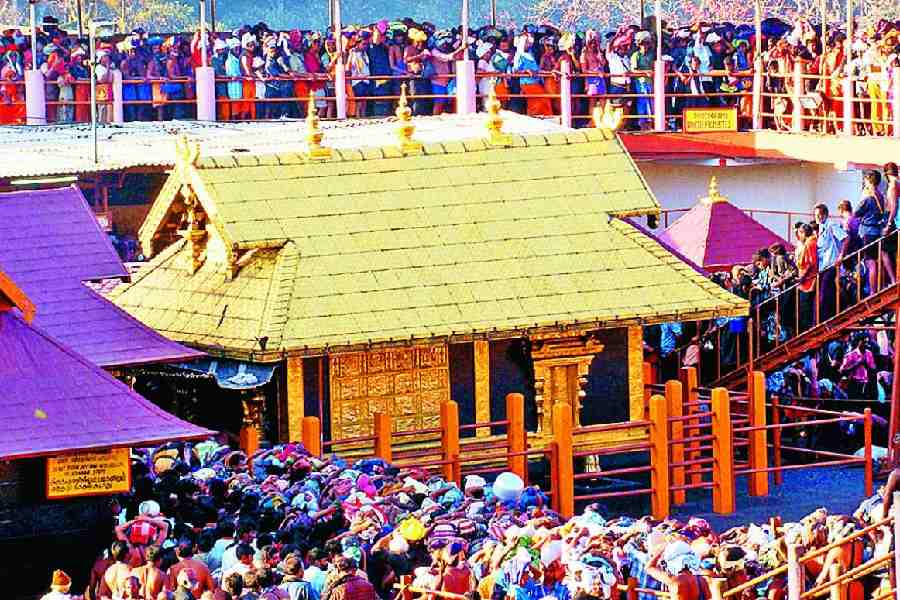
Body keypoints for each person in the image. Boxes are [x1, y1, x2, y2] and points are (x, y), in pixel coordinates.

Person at [814, 203, 846, 320]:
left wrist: (841, 255)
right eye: (816, 215)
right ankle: (828, 318)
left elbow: (845, 238)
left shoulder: (831, 225)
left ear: (826, 215)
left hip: (831, 264)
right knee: (826, 293)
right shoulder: (820, 228)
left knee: (823, 294)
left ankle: (821, 320)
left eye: (820, 215)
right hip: (823, 267)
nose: (818, 217)